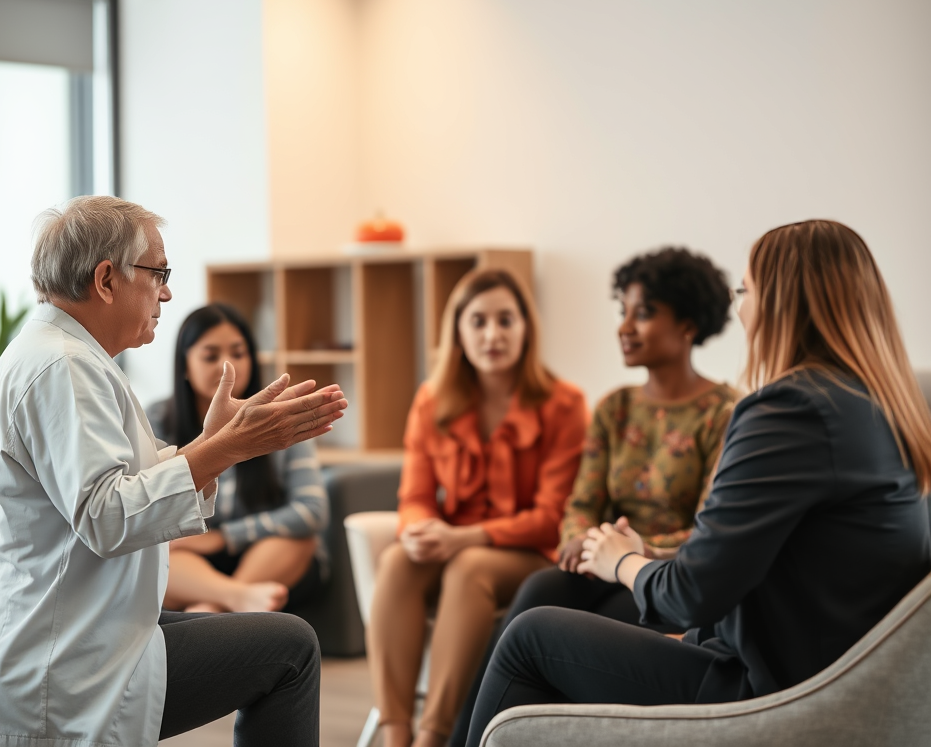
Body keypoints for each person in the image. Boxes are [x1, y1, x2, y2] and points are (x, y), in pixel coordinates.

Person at [466, 220, 931, 745]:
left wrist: (620, 560)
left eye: (746, 290)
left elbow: (693, 593)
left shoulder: (789, 410)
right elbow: (747, 561)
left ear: (777, 301)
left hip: (774, 691)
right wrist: (637, 557)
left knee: (531, 636)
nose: (742, 307)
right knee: (547, 597)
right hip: (832, 675)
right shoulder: (879, 407)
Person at [0, 196, 348, 747]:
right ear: (107, 279)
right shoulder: (62, 365)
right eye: (158, 272)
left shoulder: (61, 355)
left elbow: (120, 483)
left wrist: (213, 443)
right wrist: (226, 449)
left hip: (78, 636)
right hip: (64, 666)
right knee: (290, 649)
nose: (165, 292)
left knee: (284, 644)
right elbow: (106, 513)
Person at [450, 247, 737, 745]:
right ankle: (462, 740)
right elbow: (581, 501)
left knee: (591, 624)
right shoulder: (614, 408)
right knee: (540, 592)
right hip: (600, 559)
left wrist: (629, 547)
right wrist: (583, 538)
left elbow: (712, 528)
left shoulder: (724, 412)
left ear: (688, 325)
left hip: (661, 573)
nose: (624, 326)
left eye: (643, 313)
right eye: (621, 311)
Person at [367, 268, 588, 747]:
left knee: (470, 567)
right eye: (479, 321)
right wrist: (419, 529)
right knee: (397, 561)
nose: (493, 334)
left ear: (526, 328)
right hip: (454, 540)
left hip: (529, 550)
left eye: (506, 320)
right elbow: (416, 495)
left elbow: (553, 516)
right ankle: (395, 733)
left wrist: (462, 537)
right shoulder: (432, 400)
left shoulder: (564, 404)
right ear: (459, 333)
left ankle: (435, 735)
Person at [146, 303, 328, 614]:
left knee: (299, 541)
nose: (227, 365)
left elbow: (311, 511)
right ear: (185, 365)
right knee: (157, 554)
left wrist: (224, 538)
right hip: (192, 562)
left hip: (263, 557)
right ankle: (235, 600)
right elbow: (148, 503)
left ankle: (210, 610)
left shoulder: (281, 417)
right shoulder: (158, 419)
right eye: (210, 355)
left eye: (238, 353)